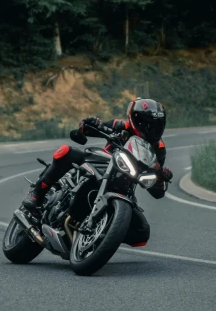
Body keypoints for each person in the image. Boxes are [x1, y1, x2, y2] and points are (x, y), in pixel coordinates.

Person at [21, 99, 173, 246]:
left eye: (157, 125)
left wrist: (161, 177)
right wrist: (89, 124)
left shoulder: (159, 148)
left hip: (126, 184)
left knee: (142, 233)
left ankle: (103, 234)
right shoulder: (120, 126)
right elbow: (85, 129)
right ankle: (37, 194)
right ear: (136, 120)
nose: (152, 128)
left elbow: (157, 189)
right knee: (67, 152)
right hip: (100, 162)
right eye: (147, 124)